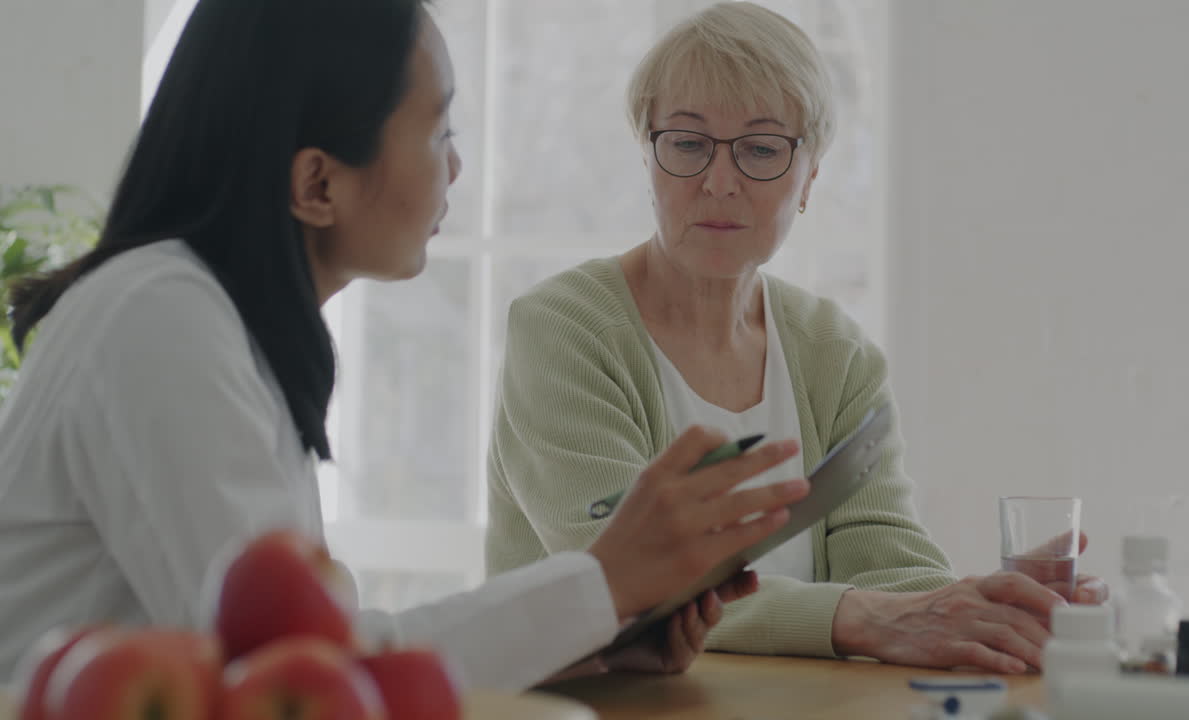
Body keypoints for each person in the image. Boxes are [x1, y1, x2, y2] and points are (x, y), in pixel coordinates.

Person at [0, 0, 813, 691]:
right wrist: (603, 582)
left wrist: (598, 638)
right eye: (439, 128)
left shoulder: (217, 326)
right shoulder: (160, 321)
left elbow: (333, 652)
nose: (456, 167)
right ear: (317, 183)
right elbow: (294, 676)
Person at [486, 1, 1107, 674]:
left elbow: (892, 572)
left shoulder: (836, 355)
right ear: (648, 157)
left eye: (760, 149)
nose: (720, 183)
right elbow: (630, 586)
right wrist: (865, 617)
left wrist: (999, 608)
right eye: (689, 144)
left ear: (809, 176)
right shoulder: (564, 329)